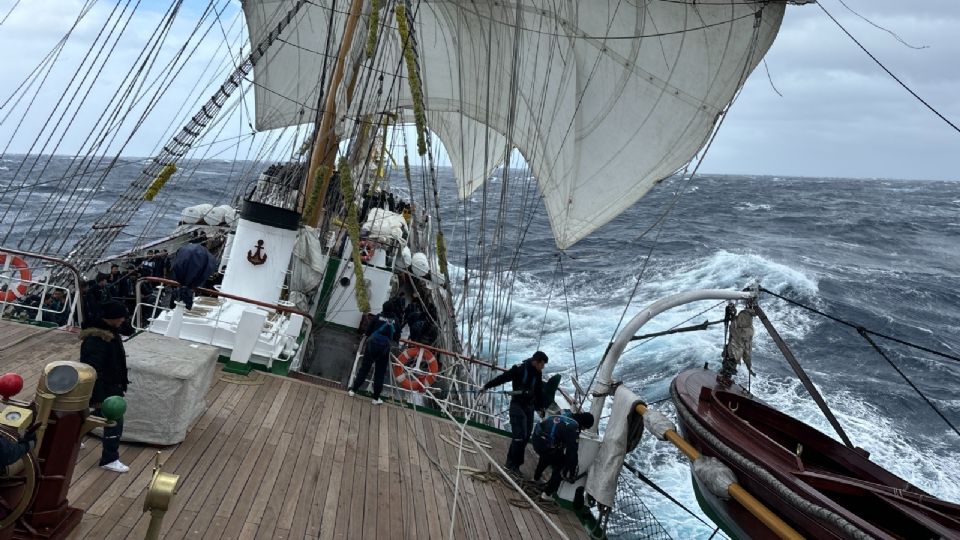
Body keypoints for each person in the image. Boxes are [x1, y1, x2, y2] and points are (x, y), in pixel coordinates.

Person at [79, 301, 131, 473]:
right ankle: (109, 458)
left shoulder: (111, 333)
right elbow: (93, 370)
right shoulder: (97, 340)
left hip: (112, 385)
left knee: (94, 416)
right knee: (115, 420)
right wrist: (99, 397)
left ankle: (72, 436)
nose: (123, 319)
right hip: (107, 389)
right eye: (121, 316)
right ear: (112, 318)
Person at [481, 351, 549, 474]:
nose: (543, 367)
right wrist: (487, 386)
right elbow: (503, 378)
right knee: (519, 437)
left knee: (526, 435)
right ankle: (513, 466)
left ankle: (512, 462)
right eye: (542, 364)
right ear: (536, 362)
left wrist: (542, 407)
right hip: (517, 405)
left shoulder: (538, 373)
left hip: (529, 407)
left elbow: (538, 391)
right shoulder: (520, 369)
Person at [531, 411, 594, 499]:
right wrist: (572, 472)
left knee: (549, 453)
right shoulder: (573, 428)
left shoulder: (567, 414)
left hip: (536, 439)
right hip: (545, 446)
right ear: (583, 424)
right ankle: (547, 494)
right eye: (584, 428)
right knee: (562, 464)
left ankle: (536, 478)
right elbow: (572, 453)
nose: (583, 430)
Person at [348, 301, 401, 405]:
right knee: (380, 373)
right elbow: (396, 337)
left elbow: (368, 332)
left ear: (383, 308)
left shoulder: (377, 317)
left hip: (371, 347)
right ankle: (375, 398)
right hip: (384, 350)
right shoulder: (396, 321)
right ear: (392, 309)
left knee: (364, 369)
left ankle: (353, 390)